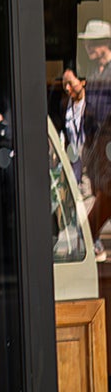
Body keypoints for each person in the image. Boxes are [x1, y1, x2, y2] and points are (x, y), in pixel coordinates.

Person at [62, 17, 111, 245]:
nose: (88, 47)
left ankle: (88, 239)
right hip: (98, 148)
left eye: (93, 43)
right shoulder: (93, 73)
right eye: (87, 43)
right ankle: (89, 240)